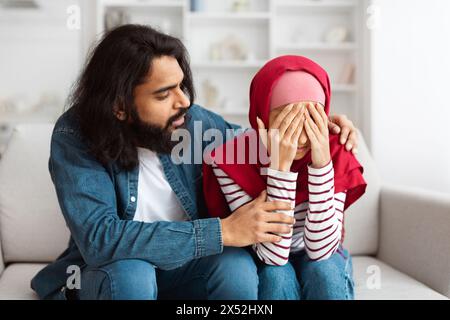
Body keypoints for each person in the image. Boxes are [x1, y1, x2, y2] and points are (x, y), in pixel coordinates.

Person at [31, 25, 360, 300]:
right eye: (164, 94)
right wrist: (222, 231)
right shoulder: (75, 134)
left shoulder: (194, 123)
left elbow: (260, 136)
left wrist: (317, 125)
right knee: (133, 273)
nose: (184, 101)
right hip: (116, 269)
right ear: (119, 107)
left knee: (237, 269)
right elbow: (101, 239)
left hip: (189, 266)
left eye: (182, 86)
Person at [203, 55, 367, 300]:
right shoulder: (231, 160)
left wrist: (321, 164)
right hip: (267, 254)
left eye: (311, 120)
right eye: (287, 121)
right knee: (275, 275)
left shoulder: (335, 149)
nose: (301, 139)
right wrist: (280, 168)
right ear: (261, 120)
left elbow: (321, 251)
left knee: (324, 272)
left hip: (321, 251)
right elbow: (272, 256)